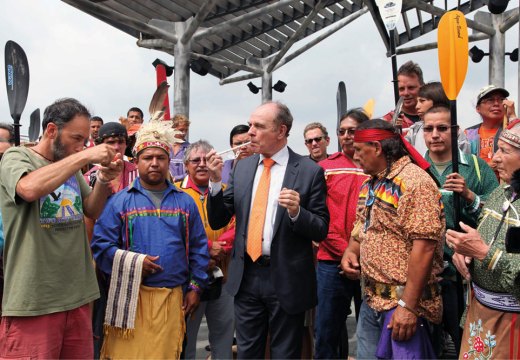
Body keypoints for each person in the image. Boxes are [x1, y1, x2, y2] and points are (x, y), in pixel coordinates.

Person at [0, 98, 123, 359]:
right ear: (52, 130)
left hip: (78, 294)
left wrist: (102, 179)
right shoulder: (16, 156)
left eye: (85, 140)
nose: (82, 145)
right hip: (35, 299)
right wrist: (84, 156)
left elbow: (91, 209)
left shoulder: (69, 164)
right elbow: (28, 189)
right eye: (77, 138)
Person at [205, 101, 329, 359]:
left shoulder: (309, 171)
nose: (250, 131)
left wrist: (297, 212)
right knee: (248, 351)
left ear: (281, 131)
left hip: (287, 277)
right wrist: (215, 182)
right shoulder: (243, 167)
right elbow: (218, 220)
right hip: (246, 275)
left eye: (259, 126)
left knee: (285, 352)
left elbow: (320, 228)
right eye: (250, 124)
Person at [91, 121, 209, 359]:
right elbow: (100, 247)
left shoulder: (185, 202)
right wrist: (133, 263)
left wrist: (195, 287)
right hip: (129, 300)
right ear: (136, 161)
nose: (154, 163)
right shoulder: (119, 201)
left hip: (172, 299)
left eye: (160, 157)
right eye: (147, 157)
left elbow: (199, 248)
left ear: (169, 162)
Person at [341, 119, 445, 359]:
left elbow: (425, 247)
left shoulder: (414, 183)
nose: (355, 156)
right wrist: (351, 250)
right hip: (372, 302)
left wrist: (407, 306)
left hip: (405, 306)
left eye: (359, 150)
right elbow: (362, 225)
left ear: (377, 148)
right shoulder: (371, 182)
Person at [422, 106, 499, 356]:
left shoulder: (476, 168)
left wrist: (469, 196)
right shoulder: (414, 169)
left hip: (464, 277)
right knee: (427, 346)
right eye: (429, 129)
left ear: (455, 131)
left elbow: (497, 218)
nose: (435, 134)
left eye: (442, 128)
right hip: (424, 275)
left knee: (464, 341)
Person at [446, 120, 520, 359]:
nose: (495, 158)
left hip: (512, 323)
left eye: (504, 151)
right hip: (480, 314)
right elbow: (484, 236)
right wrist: (464, 253)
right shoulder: (503, 191)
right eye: (496, 149)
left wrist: (482, 253)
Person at [314, 109, 369, 359]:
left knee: (370, 329)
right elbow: (318, 216)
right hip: (331, 261)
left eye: (353, 131)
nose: (346, 136)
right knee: (327, 330)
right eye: (342, 131)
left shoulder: (379, 166)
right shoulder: (325, 168)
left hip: (372, 262)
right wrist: (345, 250)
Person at [176, 140, 235, 360]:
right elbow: (176, 231)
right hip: (189, 277)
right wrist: (207, 249)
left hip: (224, 272)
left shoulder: (227, 191)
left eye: (206, 160)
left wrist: (221, 249)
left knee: (223, 338)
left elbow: (237, 224)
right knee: (186, 338)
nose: (202, 165)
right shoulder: (175, 192)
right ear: (185, 165)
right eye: (195, 160)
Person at [405, 81, 470, 156]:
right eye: (428, 129)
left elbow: (465, 160)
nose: (417, 106)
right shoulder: (414, 130)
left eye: (422, 101)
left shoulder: (456, 131)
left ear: (437, 101)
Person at [465, 85, 517, 170]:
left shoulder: (512, 129)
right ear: (478, 108)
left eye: (501, 100)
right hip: (479, 182)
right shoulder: (469, 134)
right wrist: (486, 169)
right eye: (490, 100)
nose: (496, 104)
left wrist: (512, 116)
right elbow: (463, 166)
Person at [382, 61, 424, 128]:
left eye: (411, 87)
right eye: (401, 89)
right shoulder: (386, 122)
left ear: (422, 87)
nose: (406, 93)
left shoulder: (437, 117)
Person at [169, 114, 191, 181]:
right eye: (181, 130)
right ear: (173, 129)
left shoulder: (190, 148)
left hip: (183, 187)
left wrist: (177, 178)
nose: (184, 133)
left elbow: (192, 172)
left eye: (186, 130)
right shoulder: (164, 146)